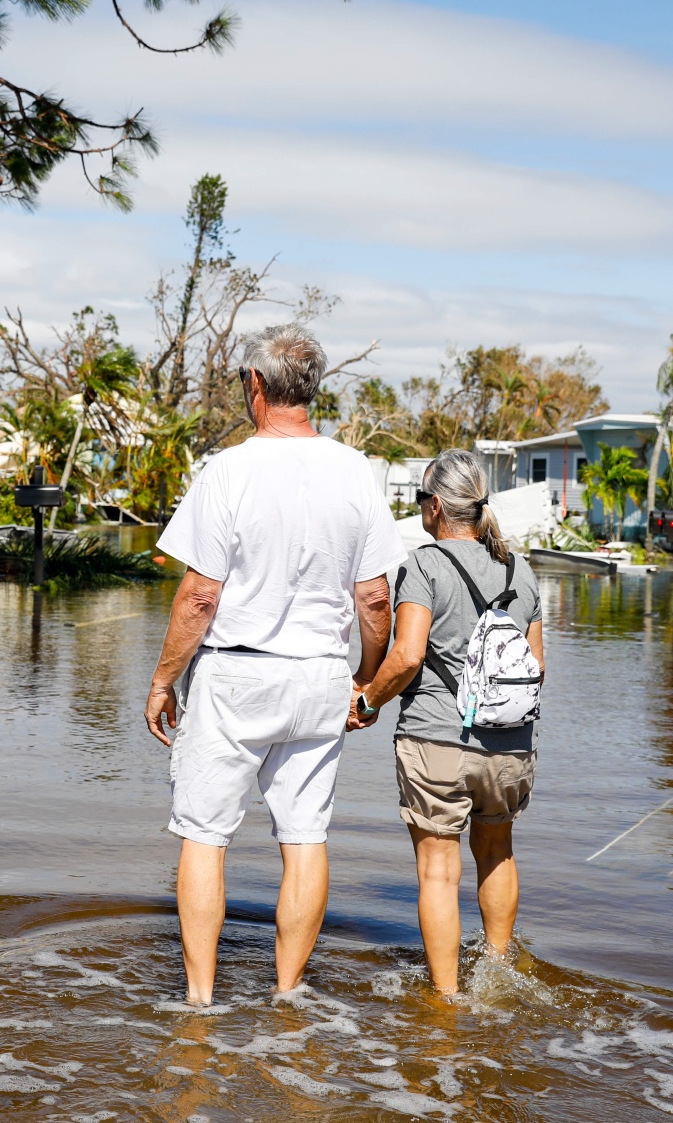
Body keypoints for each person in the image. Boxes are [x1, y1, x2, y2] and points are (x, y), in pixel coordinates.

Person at [144, 324, 401, 1005]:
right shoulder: (356, 472)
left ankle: (200, 1001)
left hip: (236, 674)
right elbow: (375, 597)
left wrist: (163, 679)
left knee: (204, 835)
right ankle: (288, 994)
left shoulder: (228, 470)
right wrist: (365, 681)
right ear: (311, 388)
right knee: (305, 835)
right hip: (320, 674)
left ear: (255, 386)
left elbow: (200, 597)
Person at [349, 448, 545, 999]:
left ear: (436, 506)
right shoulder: (520, 569)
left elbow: (407, 655)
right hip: (512, 747)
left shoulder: (425, 565)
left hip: (438, 739)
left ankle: (448, 1000)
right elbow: (539, 666)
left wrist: (367, 703)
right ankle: (499, 977)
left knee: (439, 870)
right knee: (497, 853)